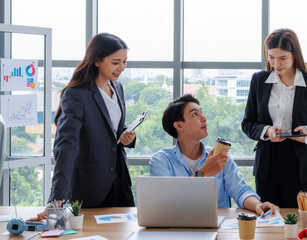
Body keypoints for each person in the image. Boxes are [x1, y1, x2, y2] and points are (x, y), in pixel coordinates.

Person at [30, 33, 136, 221]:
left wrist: (127, 136)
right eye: (116, 62)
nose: (122, 68)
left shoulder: (117, 88)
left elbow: (112, 128)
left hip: (119, 182)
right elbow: (66, 146)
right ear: (97, 61)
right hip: (90, 186)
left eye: (125, 61)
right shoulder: (76, 94)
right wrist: (57, 198)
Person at [241, 28, 307, 208]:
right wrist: (267, 130)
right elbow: (247, 123)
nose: (276, 63)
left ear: (295, 55)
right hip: (267, 165)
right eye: (271, 57)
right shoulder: (259, 80)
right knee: (268, 222)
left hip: (299, 166)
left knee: (296, 223)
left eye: (283, 58)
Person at [149, 94, 278, 215]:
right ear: (179, 125)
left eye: (201, 112)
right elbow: (166, 203)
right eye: (194, 114)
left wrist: (257, 205)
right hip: (175, 230)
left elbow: (240, 191)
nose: (204, 118)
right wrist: (204, 172)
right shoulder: (161, 161)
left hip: (217, 227)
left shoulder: (219, 157)